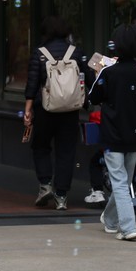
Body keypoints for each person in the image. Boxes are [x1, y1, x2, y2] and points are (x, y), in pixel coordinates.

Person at [23, 15, 88, 210]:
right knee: (66, 152)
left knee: (40, 146)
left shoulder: (39, 53)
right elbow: (86, 79)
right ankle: (61, 196)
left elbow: (32, 83)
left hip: (45, 109)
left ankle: (45, 186)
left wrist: (28, 111)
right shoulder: (76, 53)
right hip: (70, 111)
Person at [88, 24, 136, 239]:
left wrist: (99, 74)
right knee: (124, 181)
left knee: (120, 182)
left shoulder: (109, 72)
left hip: (112, 135)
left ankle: (128, 228)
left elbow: (93, 98)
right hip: (135, 135)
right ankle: (110, 220)